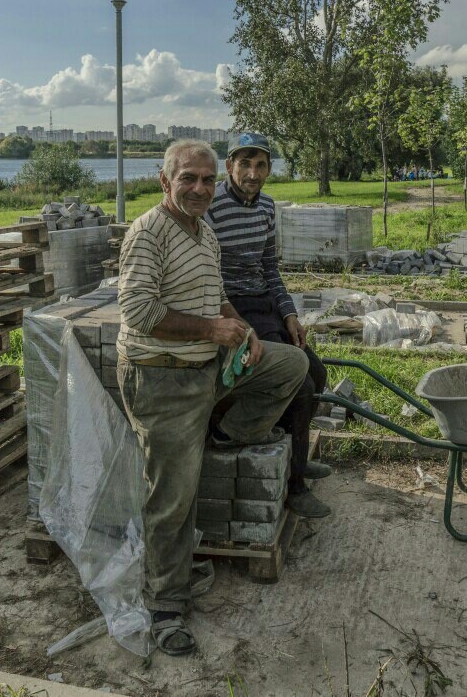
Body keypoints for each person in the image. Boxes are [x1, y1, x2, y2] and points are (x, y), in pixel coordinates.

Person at [117, 139, 308, 658]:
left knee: (291, 364)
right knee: (172, 497)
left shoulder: (203, 232)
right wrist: (209, 328)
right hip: (163, 378)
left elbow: (216, 288)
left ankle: (224, 435)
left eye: (205, 180)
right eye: (188, 179)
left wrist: (241, 328)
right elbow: (137, 310)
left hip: (206, 368)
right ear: (165, 182)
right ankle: (165, 605)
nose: (200, 188)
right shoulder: (148, 232)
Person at [204, 132, 333, 519]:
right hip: (233, 305)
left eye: (261, 165)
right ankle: (294, 485)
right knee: (301, 386)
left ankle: (292, 453)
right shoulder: (212, 208)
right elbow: (210, 277)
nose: (252, 173)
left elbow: (269, 267)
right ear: (229, 166)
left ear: (269, 169)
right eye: (244, 164)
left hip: (265, 303)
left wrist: (289, 313)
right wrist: (238, 323)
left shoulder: (267, 208)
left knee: (319, 373)